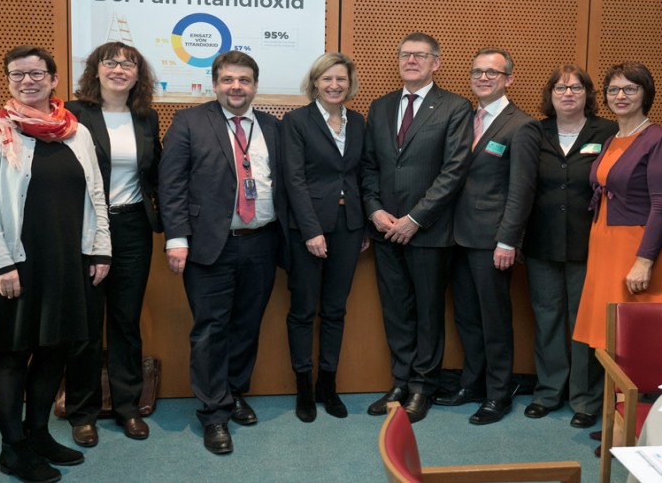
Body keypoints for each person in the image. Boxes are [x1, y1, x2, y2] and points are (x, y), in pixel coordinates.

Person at [0, 45, 110, 482]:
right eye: (17, 75)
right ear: (9, 81)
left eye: (36, 73)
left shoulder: (76, 132)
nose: (27, 81)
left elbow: (95, 195)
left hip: (68, 260)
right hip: (17, 263)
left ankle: (38, 434)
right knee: (13, 355)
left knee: (54, 352)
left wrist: (101, 247)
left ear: (53, 79)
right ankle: (13, 449)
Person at [158, 51, 287, 454]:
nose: (236, 87)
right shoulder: (189, 122)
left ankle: (233, 392)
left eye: (244, 80)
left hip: (262, 241)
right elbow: (171, 184)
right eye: (228, 80)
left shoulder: (271, 126)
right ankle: (214, 413)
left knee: (247, 325)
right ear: (215, 84)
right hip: (209, 244)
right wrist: (177, 238)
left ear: (254, 85)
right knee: (211, 330)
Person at [362, 32, 472, 423]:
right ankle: (400, 380)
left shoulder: (456, 107)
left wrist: (415, 219)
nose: (411, 60)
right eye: (405, 54)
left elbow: (454, 170)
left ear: (436, 63)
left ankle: (423, 385)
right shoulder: (380, 107)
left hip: (429, 231)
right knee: (396, 310)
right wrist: (374, 211)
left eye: (420, 55)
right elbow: (369, 166)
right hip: (385, 228)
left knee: (427, 311)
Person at [572, 62, 662, 432]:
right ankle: (618, 420)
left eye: (630, 89)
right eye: (613, 90)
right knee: (611, 340)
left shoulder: (661, 140)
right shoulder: (613, 138)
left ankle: (639, 425)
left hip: (636, 250)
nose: (620, 96)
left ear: (645, 94)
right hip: (605, 247)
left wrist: (644, 260)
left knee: (636, 342)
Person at [433, 48, 540, 425]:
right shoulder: (465, 116)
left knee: (494, 320)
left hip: (492, 241)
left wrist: (508, 241)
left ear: (508, 79)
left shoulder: (521, 125)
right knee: (466, 317)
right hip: (456, 237)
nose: (483, 78)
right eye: (477, 71)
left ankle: (498, 394)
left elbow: (521, 190)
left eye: (492, 73)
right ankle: (472, 383)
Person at [64, 42, 161, 446]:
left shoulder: (146, 117)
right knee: (86, 324)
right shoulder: (75, 113)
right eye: (111, 62)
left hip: (134, 227)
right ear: (96, 70)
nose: (119, 69)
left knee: (126, 321)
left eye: (128, 63)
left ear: (138, 75)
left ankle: (126, 407)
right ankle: (82, 412)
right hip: (86, 230)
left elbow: (153, 175)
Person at [523, 65, 617, 428]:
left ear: (588, 94)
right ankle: (548, 392)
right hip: (541, 240)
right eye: (560, 87)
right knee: (547, 318)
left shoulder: (606, 131)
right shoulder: (535, 130)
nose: (568, 94)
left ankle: (585, 398)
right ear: (550, 94)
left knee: (584, 322)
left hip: (590, 242)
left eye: (576, 87)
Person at [282, 52, 368, 422]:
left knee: (335, 309)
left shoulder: (359, 122)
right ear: (315, 82)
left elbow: (361, 175)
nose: (335, 86)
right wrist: (311, 230)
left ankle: (327, 386)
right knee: (303, 310)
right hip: (308, 230)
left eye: (342, 80)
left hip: (349, 227)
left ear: (350, 84)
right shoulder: (296, 121)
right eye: (327, 79)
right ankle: (303, 388)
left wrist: (362, 225)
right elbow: (294, 180)